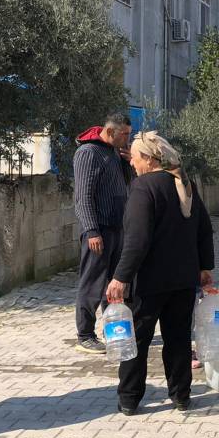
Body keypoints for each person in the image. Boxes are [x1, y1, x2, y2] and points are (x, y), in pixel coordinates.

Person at [106, 132, 213, 415]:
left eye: (135, 157)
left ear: (150, 160)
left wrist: (120, 277)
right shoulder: (186, 185)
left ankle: (129, 399)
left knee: (137, 341)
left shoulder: (144, 188)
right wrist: (205, 268)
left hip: (149, 282)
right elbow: (203, 229)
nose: (132, 163)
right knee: (177, 339)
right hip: (183, 280)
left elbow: (137, 240)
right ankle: (181, 396)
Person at [72, 113, 131, 354]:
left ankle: (113, 330)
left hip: (118, 229)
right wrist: (91, 230)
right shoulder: (88, 153)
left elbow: (125, 186)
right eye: (125, 134)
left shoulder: (114, 153)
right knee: (92, 284)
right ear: (110, 132)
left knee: (113, 285)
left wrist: (128, 163)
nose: (128, 138)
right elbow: (83, 197)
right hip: (98, 232)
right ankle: (85, 335)